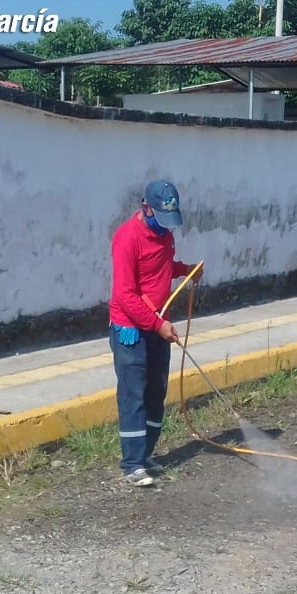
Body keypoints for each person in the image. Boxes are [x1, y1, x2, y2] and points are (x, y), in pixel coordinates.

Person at [108, 180, 202, 487]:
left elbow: (161, 267)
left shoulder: (165, 236)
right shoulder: (127, 239)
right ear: (146, 207)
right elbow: (125, 294)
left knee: (156, 392)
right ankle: (132, 464)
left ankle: (146, 454)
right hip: (131, 331)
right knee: (133, 394)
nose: (165, 226)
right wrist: (157, 324)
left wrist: (185, 269)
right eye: (160, 218)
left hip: (157, 326)